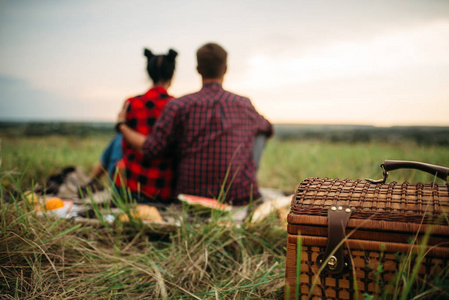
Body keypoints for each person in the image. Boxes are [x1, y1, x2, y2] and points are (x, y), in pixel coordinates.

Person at [116, 43, 273, 206]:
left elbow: (152, 149)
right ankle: (247, 180)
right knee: (261, 131)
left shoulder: (179, 106)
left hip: (188, 195)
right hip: (239, 196)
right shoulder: (244, 104)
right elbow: (268, 128)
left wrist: (121, 125)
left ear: (197, 69)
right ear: (225, 69)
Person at [118, 48, 178, 204]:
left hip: (132, 184)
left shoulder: (131, 103)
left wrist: (121, 125)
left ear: (148, 73)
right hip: (164, 188)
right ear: (172, 74)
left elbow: (125, 146)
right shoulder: (176, 105)